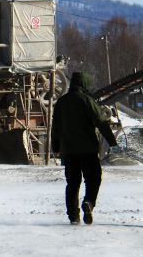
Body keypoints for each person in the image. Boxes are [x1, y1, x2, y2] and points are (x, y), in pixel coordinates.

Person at [50, 71, 118, 225]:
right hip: (88, 150)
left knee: (73, 184)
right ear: (85, 84)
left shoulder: (61, 102)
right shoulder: (87, 100)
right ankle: (89, 202)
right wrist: (112, 141)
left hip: (69, 151)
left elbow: (56, 126)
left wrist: (56, 145)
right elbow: (101, 122)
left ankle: (74, 216)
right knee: (94, 179)